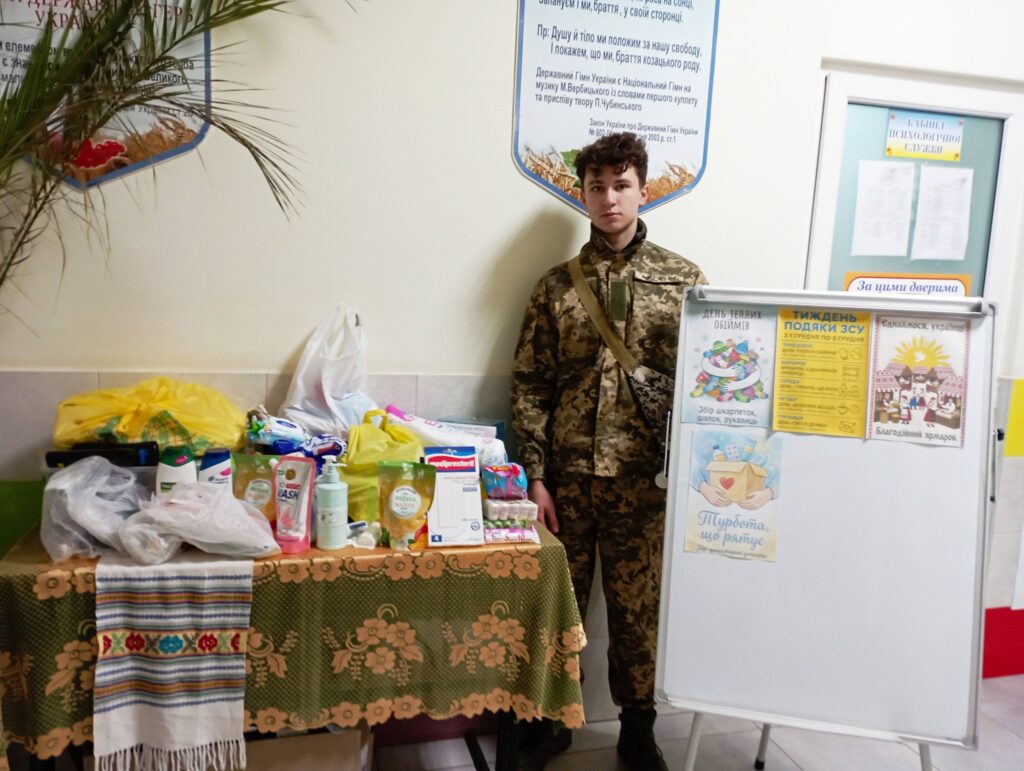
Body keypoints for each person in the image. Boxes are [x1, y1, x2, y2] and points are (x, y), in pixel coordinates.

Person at [511, 132, 707, 770]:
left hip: (645, 481)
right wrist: (535, 477)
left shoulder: (684, 282)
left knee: (636, 612)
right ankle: (553, 722)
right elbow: (531, 383)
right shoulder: (555, 287)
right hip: (567, 481)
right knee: (555, 607)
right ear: (583, 194)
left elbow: (708, 384)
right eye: (597, 186)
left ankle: (638, 729)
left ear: (644, 191)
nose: (609, 198)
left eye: (621, 185)